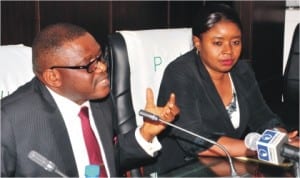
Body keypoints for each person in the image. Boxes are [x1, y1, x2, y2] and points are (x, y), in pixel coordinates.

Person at [1, 23, 180, 177]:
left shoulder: (98, 99)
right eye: (89, 65)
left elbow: (105, 161)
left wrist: (145, 134)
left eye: (100, 57)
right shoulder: (10, 121)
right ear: (53, 77)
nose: (102, 67)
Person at [144, 4, 299, 175]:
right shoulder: (180, 73)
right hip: (181, 169)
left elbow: (263, 118)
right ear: (197, 43)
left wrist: (281, 139)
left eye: (236, 42)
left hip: (228, 165)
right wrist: (262, 148)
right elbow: (197, 142)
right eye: (218, 43)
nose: (228, 51)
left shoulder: (242, 70)